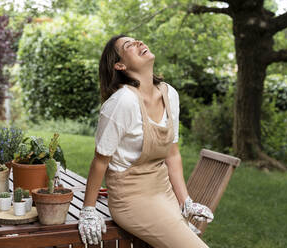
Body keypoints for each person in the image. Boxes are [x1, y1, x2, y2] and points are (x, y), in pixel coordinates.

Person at [78, 34, 214, 248]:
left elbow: (172, 154)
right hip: (131, 198)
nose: (139, 43)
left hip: (163, 191)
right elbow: (100, 162)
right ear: (120, 65)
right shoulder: (122, 103)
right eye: (129, 45)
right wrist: (88, 210)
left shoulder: (170, 94)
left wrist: (185, 201)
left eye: (137, 40)